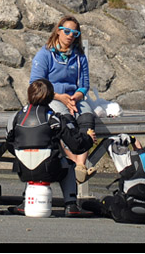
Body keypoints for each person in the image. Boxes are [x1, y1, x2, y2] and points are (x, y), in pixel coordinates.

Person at [6, 78, 96, 217]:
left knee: (30, 159)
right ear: (50, 97)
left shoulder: (16, 117)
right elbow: (77, 146)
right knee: (70, 164)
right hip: (49, 169)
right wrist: (89, 138)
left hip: (22, 170)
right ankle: (71, 205)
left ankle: (25, 202)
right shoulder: (53, 118)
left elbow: (9, 144)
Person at [28, 15, 96, 182]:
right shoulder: (44, 54)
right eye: (66, 31)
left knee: (87, 117)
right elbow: (35, 84)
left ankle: (81, 165)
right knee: (65, 121)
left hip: (74, 97)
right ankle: (73, 161)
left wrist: (76, 96)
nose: (70, 35)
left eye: (75, 33)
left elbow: (84, 84)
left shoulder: (79, 56)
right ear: (58, 31)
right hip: (51, 97)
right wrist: (58, 97)